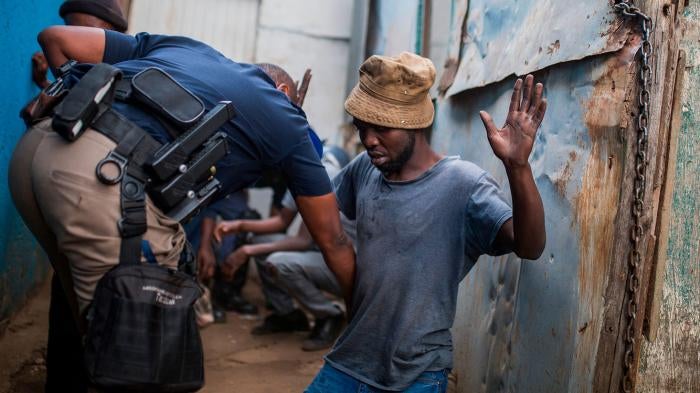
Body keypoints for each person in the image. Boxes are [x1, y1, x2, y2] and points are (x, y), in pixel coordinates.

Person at [9, 26, 355, 390]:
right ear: (285, 92)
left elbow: (54, 38)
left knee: (91, 318)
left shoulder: (185, 49)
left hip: (38, 149)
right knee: (141, 351)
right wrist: (358, 315)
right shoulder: (287, 117)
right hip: (101, 179)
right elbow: (332, 239)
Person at [305, 52, 546, 392]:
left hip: (415, 374)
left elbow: (530, 246)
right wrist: (294, 141)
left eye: (381, 127)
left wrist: (518, 166)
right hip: (350, 360)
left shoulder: (463, 185)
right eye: (362, 128)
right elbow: (324, 214)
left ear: (414, 124)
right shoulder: (364, 169)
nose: (369, 140)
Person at [216, 147, 354, 351]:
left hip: (346, 268)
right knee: (259, 240)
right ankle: (288, 315)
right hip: (320, 255)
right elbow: (282, 221)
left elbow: (302, 241)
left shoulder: (323, 176)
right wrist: (240, 226)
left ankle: (329, 315)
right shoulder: (298, 172)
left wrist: (245, 251)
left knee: (279, 262)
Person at [31, 0, 128, 89]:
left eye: (89, 34)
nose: (77, 43)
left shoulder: (125, 80)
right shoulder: (71, 64)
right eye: (70, 32)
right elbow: (72, 94)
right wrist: (43, 83)